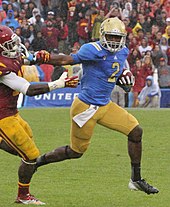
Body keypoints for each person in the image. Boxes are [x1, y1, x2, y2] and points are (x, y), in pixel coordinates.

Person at [35, 17, 159, 195]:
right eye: (111, 37)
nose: (115, 41)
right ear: (102, 35)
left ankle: (136, 179)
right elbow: (67, 60)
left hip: (105, 105)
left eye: (118, 38)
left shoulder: (123, 52)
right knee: (76, 151)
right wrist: (44, 58)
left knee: (136, 131)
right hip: (86, 107)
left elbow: (115, 73)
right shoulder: (91, 49)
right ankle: (39, 161)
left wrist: (125, 80)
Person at [0, 25, 78, 205]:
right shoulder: (3, 66)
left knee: (26, 142)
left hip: (12, 112)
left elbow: (29, 58)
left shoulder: (10, 56)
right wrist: (58, 84)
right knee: (30, 155)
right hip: (2, 116)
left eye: (14, 42)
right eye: (9, 45)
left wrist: (41, 57)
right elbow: (27, 89)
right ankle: (23, 196)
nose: (15, 47)